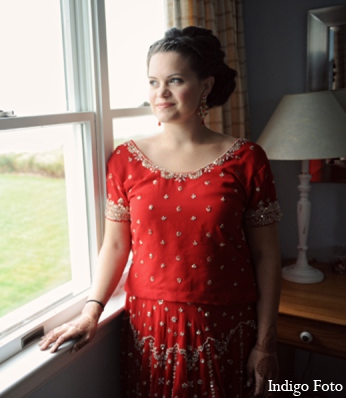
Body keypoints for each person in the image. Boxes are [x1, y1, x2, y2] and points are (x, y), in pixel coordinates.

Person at [39, 26, 282, 397]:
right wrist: (92, 311)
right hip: (149, 328)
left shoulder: (247, 158)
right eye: (153, 81)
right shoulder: (125, 159)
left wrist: (265, 345)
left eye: (175, 80)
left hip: (225, 324)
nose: (160, 93)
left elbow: (266, 256)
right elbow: (116, 246)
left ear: (205, 86)